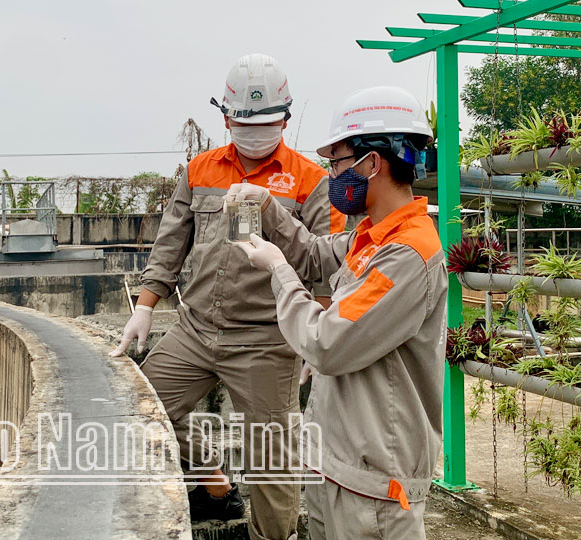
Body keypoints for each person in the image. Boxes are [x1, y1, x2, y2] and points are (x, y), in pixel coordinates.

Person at [109, 53, 345, 540]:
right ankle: (215, 482)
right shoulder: (201, 169)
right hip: (195, 329)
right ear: (226, 118)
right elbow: (172, 240)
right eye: (244, 122)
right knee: (143, 406)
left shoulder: (311, 180)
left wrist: (318, 337)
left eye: (266, 122)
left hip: (268, 339)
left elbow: (328, 263)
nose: (255, 132)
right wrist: (147, 306)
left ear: (286, 116)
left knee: (273, 461)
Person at [230, 86, 447, 539]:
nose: (333, 176)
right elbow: (313, 254)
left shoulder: (407, 254)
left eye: (338, 163)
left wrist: (277, 270)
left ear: (372, 163)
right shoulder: (372, 238)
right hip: (340, 468)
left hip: (375, 489)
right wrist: (268, 207)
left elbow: (327, 343)